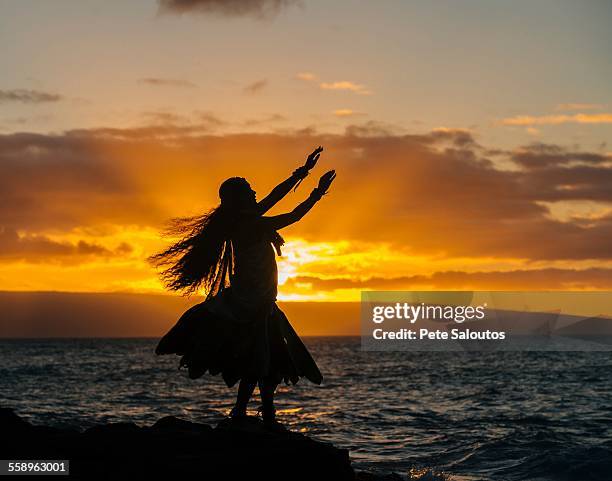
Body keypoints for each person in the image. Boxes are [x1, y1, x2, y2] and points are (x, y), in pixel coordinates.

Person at [149, 147, 336, 430]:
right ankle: (252, 412)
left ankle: (258, 410)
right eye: (249, 189)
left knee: (267, 357)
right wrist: (317, 192)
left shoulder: (245, 220)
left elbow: (275, 195)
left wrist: (303, 171)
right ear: (238, 198)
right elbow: (294, 215)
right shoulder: (250, 224)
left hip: (259, 300)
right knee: (260, 358)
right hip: (251, 303)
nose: (255, 192)